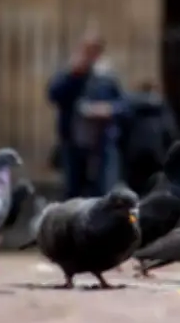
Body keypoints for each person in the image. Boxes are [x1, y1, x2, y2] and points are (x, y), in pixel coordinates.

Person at [47, 31, 130, 199]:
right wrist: (73, 74)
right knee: (73, 193)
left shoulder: (107, 76)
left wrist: (107, 109)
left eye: (94, 50)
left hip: (102, 143)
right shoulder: (69, 73)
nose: (89, 55)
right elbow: (54, 95)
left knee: (104, 191)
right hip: (73, 142)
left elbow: (124, 106)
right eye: (86, 49)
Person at [120, 81, 180, 196]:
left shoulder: (131, 106)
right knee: (155, 188)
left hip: (134, 154)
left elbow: (122, 129)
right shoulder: (162, 107)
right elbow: (170, 130)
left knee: (135, 190)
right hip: (156, 153)